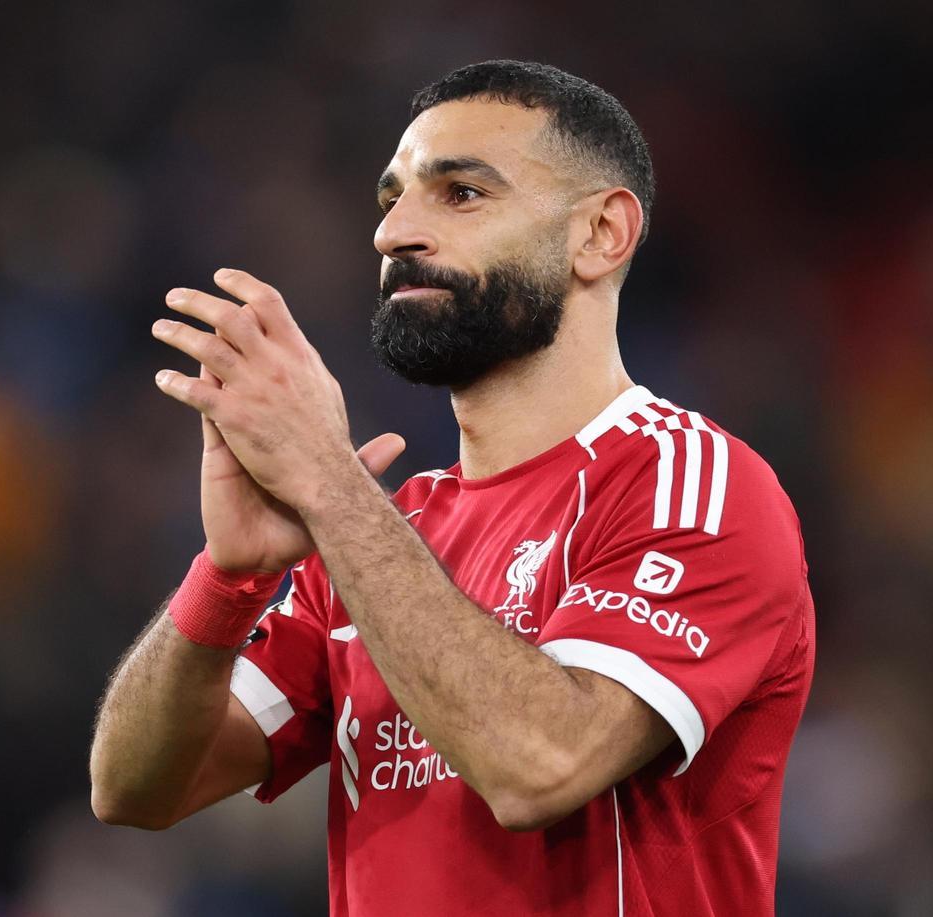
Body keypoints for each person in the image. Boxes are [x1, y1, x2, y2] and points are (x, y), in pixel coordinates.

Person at [89, 59, 815, 916]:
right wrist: (229, 575)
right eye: (391, 197)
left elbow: (540, 763)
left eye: (461, 193)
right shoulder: (387, 530)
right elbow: (134, 788)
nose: (393, 232)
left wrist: (328, 483)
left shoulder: (692, 485)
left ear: (602, 234)